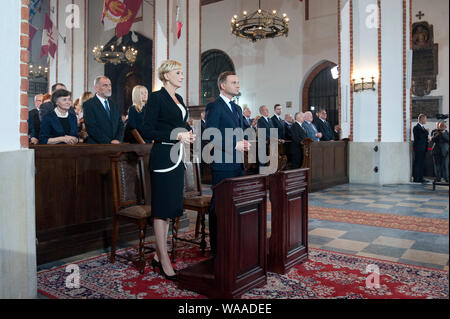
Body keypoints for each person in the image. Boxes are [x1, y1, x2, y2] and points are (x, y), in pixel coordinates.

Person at [141, 60, 195, 281]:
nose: (182, 76)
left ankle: (157, 255)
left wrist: (188, 132)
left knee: (172, 208)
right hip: (163, 157)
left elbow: (179, 124)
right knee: (162, 209)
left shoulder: (179, 98)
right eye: (178, 72)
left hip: (178, 157)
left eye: (182, 72)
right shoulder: (156, 97)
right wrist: (176, 135)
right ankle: (163, 259)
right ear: (166, 76)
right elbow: (147, 129)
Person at [205, 71, 250, 255]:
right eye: (234, 82)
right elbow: (210, 135)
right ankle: (217, 248)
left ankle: (232, 242)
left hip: (238, 163)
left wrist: (247, 140)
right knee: (219, 206)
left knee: (235, 204)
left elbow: (240, 132)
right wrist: (235, 144)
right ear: (223, 85)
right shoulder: (214, 106)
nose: (238, 85)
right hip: (222, 164)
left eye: (238, 82)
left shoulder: (237, 108)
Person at [83, 76, 124, 144]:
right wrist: (109, 142)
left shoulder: (114, 105)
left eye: (110, 85)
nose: (109, 88)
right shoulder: (89, 105)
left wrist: (118, 139)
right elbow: (92, 128)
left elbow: (120, 125)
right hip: (98, 146)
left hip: (116, 145)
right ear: (96, 88)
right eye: (105, 85)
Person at [412, 114, 430, 183]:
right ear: (421, 119)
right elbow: (420, 136)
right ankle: (416, 178)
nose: (426, 120)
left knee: (422, 164)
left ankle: (421, 178)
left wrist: (427, 139)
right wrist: (426, 131)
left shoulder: (422, 128)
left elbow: (422, 138)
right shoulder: (416, 127)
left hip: (423, 148)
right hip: (419, 148)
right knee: (417, 164)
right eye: (425, 119)